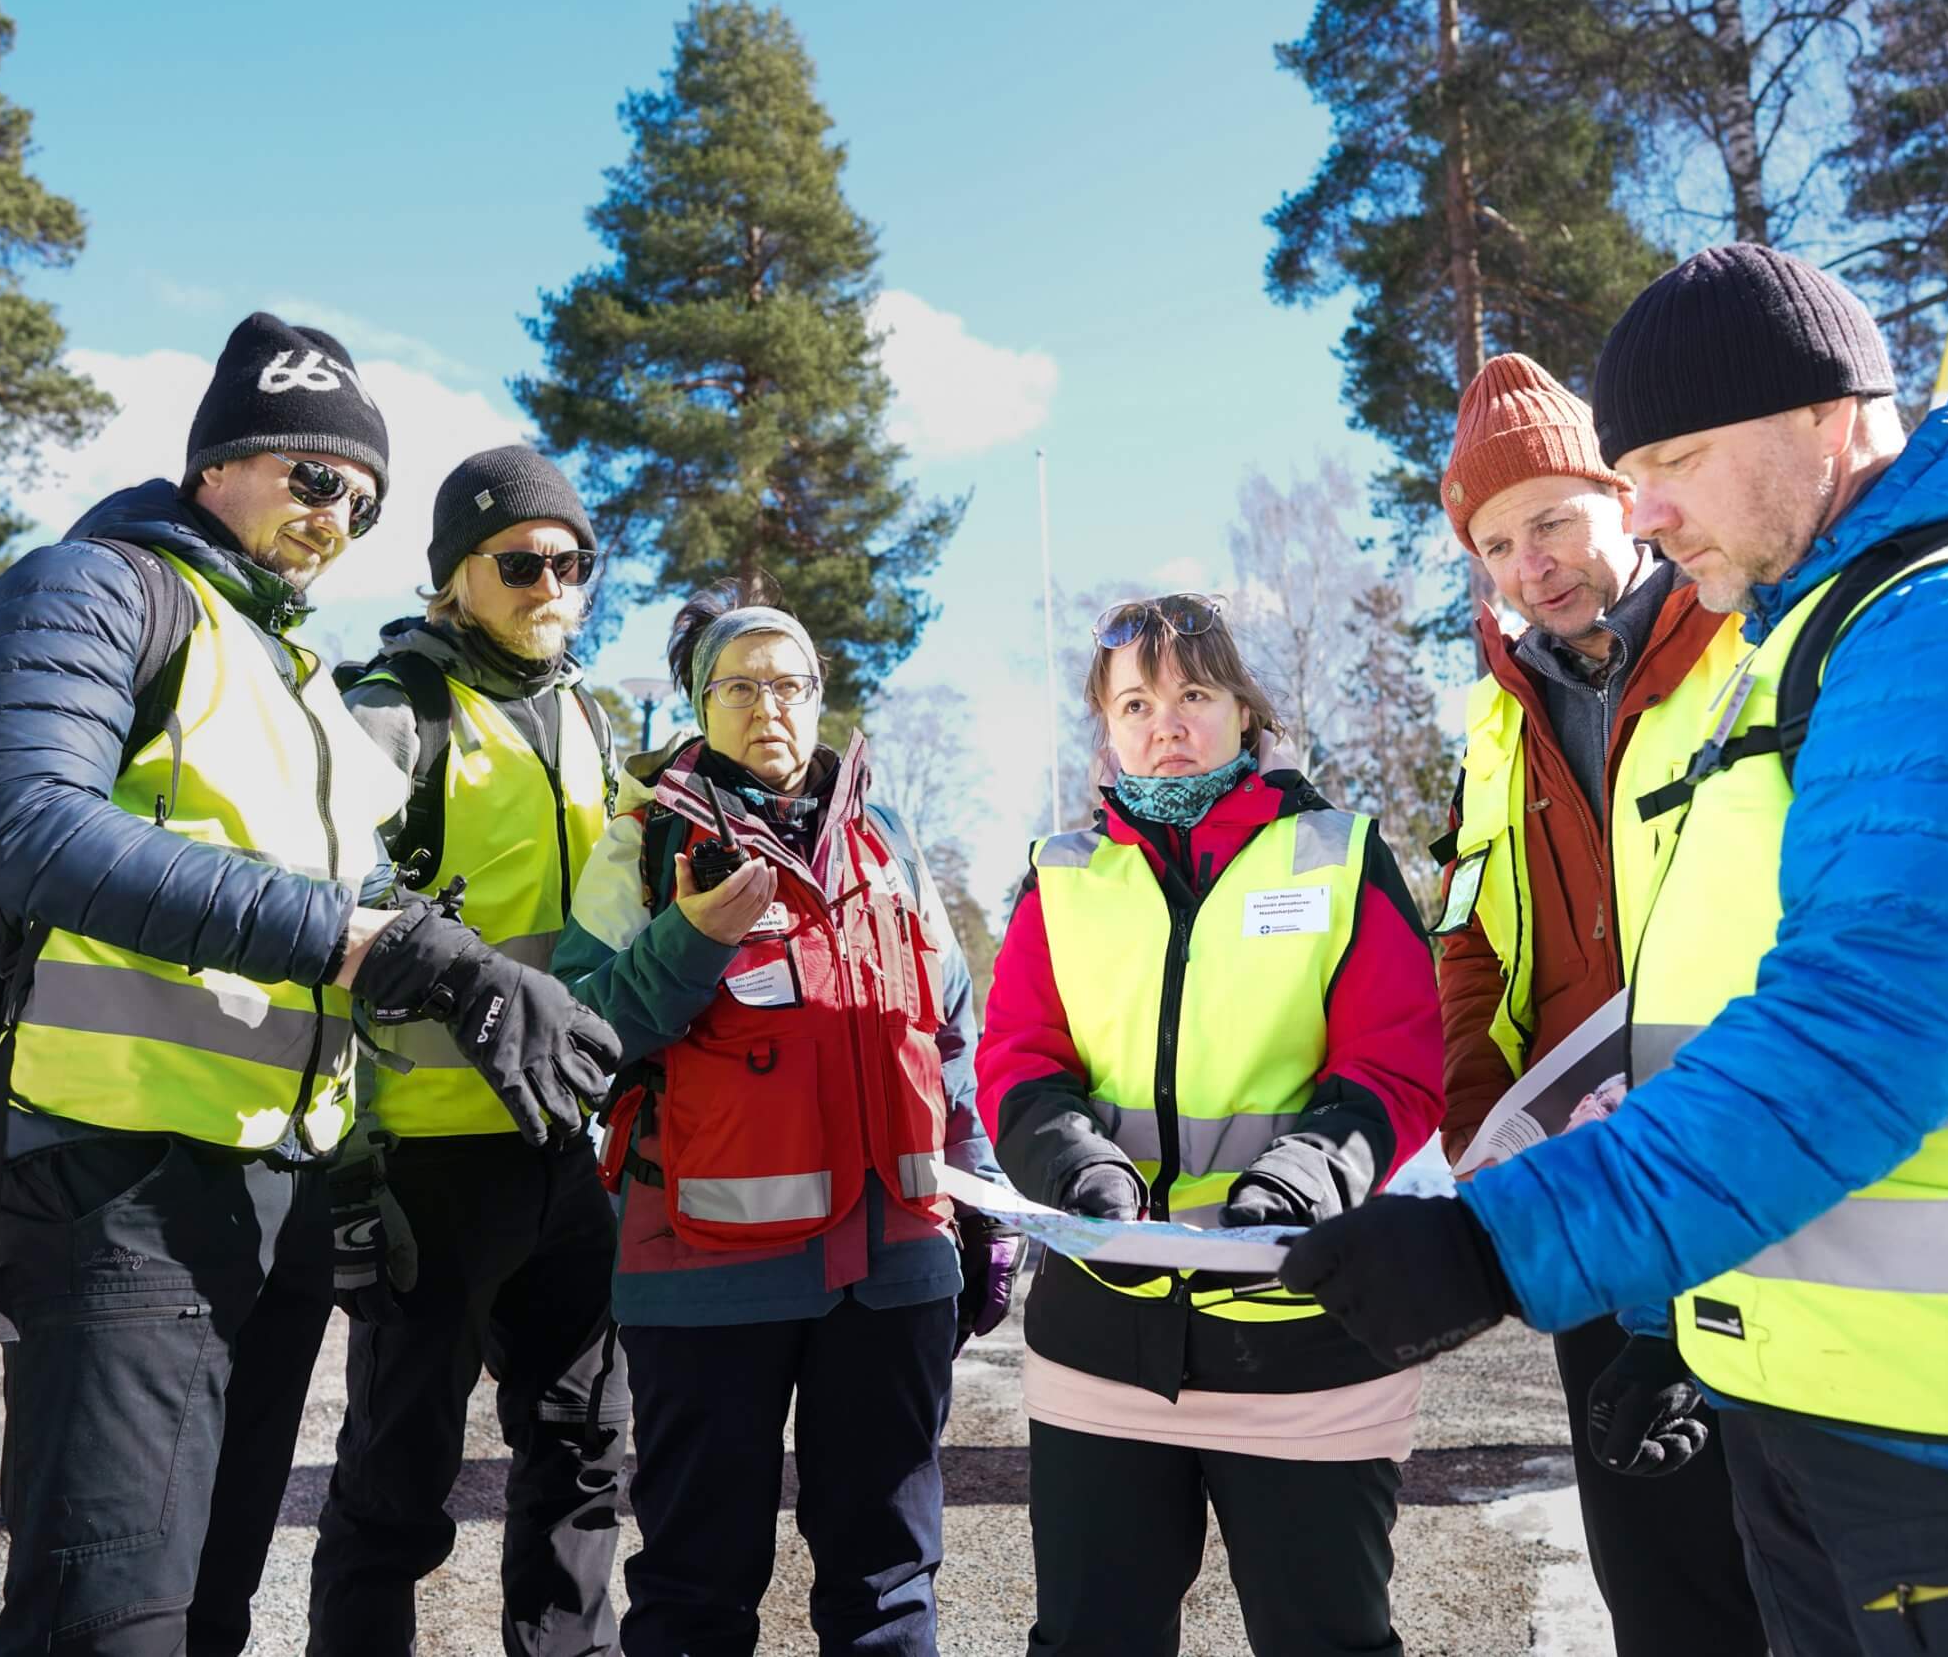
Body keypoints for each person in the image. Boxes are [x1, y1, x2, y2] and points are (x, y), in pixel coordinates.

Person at [1283, 246, 1948, 1655]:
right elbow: (1707, 1020)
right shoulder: (1816, 639)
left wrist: (1499, 1244)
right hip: (1835, 1403)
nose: (1648, 509)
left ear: (1827, 413)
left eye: (1674, 458)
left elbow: (1864, 1033)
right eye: (1633, 468)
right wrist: (1682, 1317)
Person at [0, 312, 619, 1657]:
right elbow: (24, 828)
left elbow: (368, 896)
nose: (337, 514)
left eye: (362, 499)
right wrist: (382, 946)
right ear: (219, 461)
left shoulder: (295, 675)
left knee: (213, 1612)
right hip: (117, 1183)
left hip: (279, 1197)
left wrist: (465, 978)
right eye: (315, 476)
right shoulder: (92, 588)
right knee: (115, 1623)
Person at [551, 579, 1016, 1657]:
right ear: (699, 706)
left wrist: (984, 1197)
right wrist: (692, 938)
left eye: (791, 684)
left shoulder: (885, 842)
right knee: (695, 1591)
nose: (770, 706)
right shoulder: (643, 845)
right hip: (704, 1278)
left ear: (820, 697)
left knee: (889, 1583)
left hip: (894, 1269)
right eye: (740, 686)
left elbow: (950, 1034)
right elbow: (578, 1035)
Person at [977, 592, 1443, 1657]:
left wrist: (1299, 1179)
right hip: (1100, 1341)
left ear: (1244, 709)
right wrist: (1077, 1169)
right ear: (1106, 727)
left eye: (1193, 694)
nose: (1167, 725)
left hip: (1305, 1330)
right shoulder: (1063, 875)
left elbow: (1398, 1064)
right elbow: (1017, 1060)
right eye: (1135, 703)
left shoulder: (1335, 855)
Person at [1432, 354, 1765, 1653]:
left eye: (1553, 520)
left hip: (1758, 1173)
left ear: (1625, 498)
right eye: (1496, 545)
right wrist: (1483, 1128)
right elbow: (1470, 944)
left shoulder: (1746, 647)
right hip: (1591, 1189)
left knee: (1800, 1564)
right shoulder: (1493, 727)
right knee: (1660, 1582)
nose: (1532, 565)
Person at [308, 446, 628, 1655]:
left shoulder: (589, 715)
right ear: (456, 576)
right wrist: (348, 1175)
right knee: (395, 1482)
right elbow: (321, 896)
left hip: (566, 1154)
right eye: (522, 563)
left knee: (585, 1457)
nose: (554, 584)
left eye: (573, 562)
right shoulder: (397, 707)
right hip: (426, 1168)